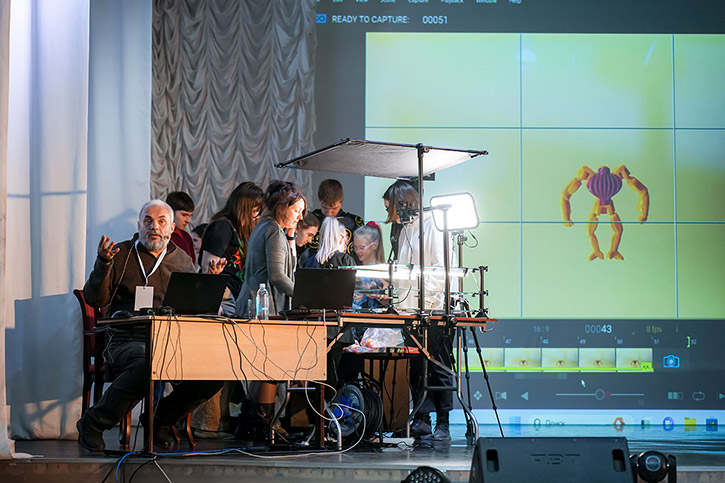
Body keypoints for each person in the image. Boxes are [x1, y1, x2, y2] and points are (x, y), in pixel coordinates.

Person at [76, 200, 226, 453]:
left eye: (161, 222)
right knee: (148, 362)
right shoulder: (120, 254)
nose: (154, 227)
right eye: (148, 221)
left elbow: (193, 308)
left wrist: (209, 283)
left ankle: (160, 420)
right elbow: (95, 299)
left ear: (171, 229)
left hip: (169, 341)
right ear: (139, 225)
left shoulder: (181, 259)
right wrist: (103, 264)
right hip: (126, 339)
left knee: (212, 374)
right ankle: (92, 423)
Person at [383, 180, 454, 442]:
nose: (389, 214)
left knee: (439, 365)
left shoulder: (433, 224)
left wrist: (425, 297)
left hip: (435, 310)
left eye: (390, 208)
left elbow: (441, 269)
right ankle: (422, 418)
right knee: (416, 365)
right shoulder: (404, 230)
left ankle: (443, 422)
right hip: (410, 311)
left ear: (402, 204)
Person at [234, 181, 305, 442]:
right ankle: (264, 428)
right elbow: (278, 275)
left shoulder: (266, 227)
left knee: (262, 368)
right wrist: (305, 298)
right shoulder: (272, 230)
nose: (300, 217)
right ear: (282, 207)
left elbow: (288, 267)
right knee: (269, 368)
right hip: (262, 307)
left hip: (256, 303)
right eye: (296, 210)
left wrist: (291, 236)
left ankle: (251, 425)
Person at [199, 181, 264, 316]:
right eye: (254, 211)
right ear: (243, 207)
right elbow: (207, 267)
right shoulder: (222, 227)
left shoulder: (240, 230)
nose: (256, 216)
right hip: (223, 294)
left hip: (235, 293)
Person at [306, 179, 364, 262]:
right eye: (325, 207)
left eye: (334, 208)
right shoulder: (310, 221)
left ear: (341, 201)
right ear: (320, 201)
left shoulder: (355, 222)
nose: (329, 213)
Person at [351, 221, 388, 311]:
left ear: (374, 246)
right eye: (355, 247)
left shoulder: (383, 272)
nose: (357, 251)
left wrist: (380, 297)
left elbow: (390, 302)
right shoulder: (354, 267)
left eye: (362, 248)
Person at [165, 191, 196, 261]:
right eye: (184, 215)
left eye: (189, 216)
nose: (188, 220)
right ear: (171, 212)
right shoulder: (160, 236)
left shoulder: (186, 237)